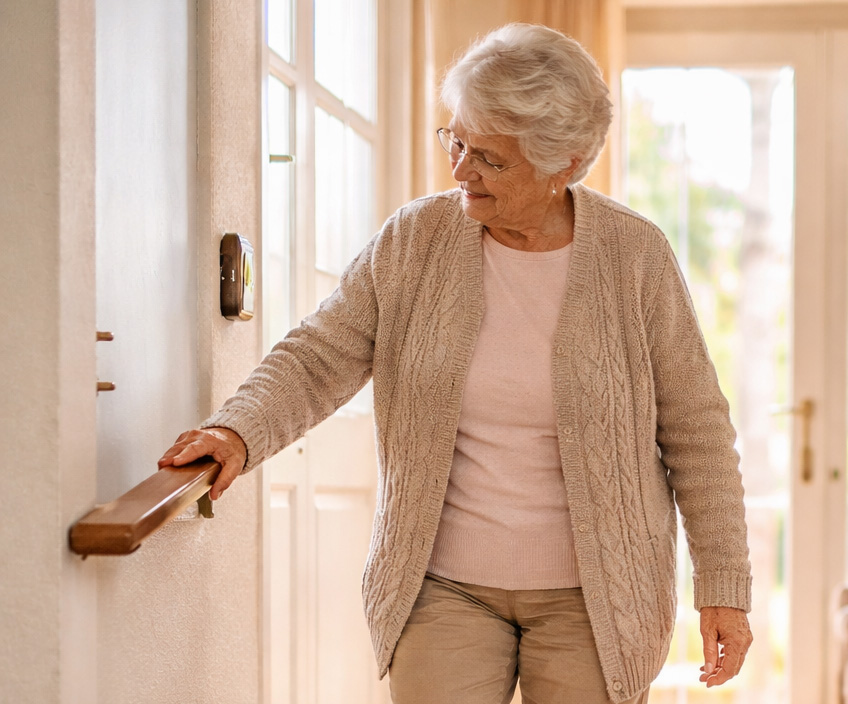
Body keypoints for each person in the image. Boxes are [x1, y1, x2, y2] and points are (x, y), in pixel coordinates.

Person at [159, 23, 752, 704]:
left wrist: (724, 588)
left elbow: (698, 434)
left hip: (599, 600)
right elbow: (319, 355)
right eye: (457, 140)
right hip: (442, 588)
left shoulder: (635, 258)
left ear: (565, 163)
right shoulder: (416, 239)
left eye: (492, 159)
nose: (462, 168)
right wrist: (237, 430)